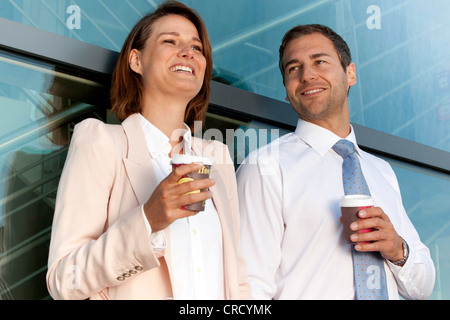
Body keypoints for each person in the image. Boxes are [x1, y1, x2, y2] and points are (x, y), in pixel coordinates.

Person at [46, 1, 250, 300]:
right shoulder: (101, 141)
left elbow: (237, 279)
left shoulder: (216, 156)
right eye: (170, 41)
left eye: (197, 47)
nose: (188, 52)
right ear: (136, 61)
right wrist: (148, 220)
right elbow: (64, 280)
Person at [236, 24, 435, 300]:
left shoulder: (382, 171)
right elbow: (248, 288)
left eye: (320, 61)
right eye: (293, 68)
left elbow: (423, 288)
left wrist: (397, 249)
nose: (307, 75)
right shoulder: (265, 167)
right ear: (286, 90)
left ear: (350, 73)